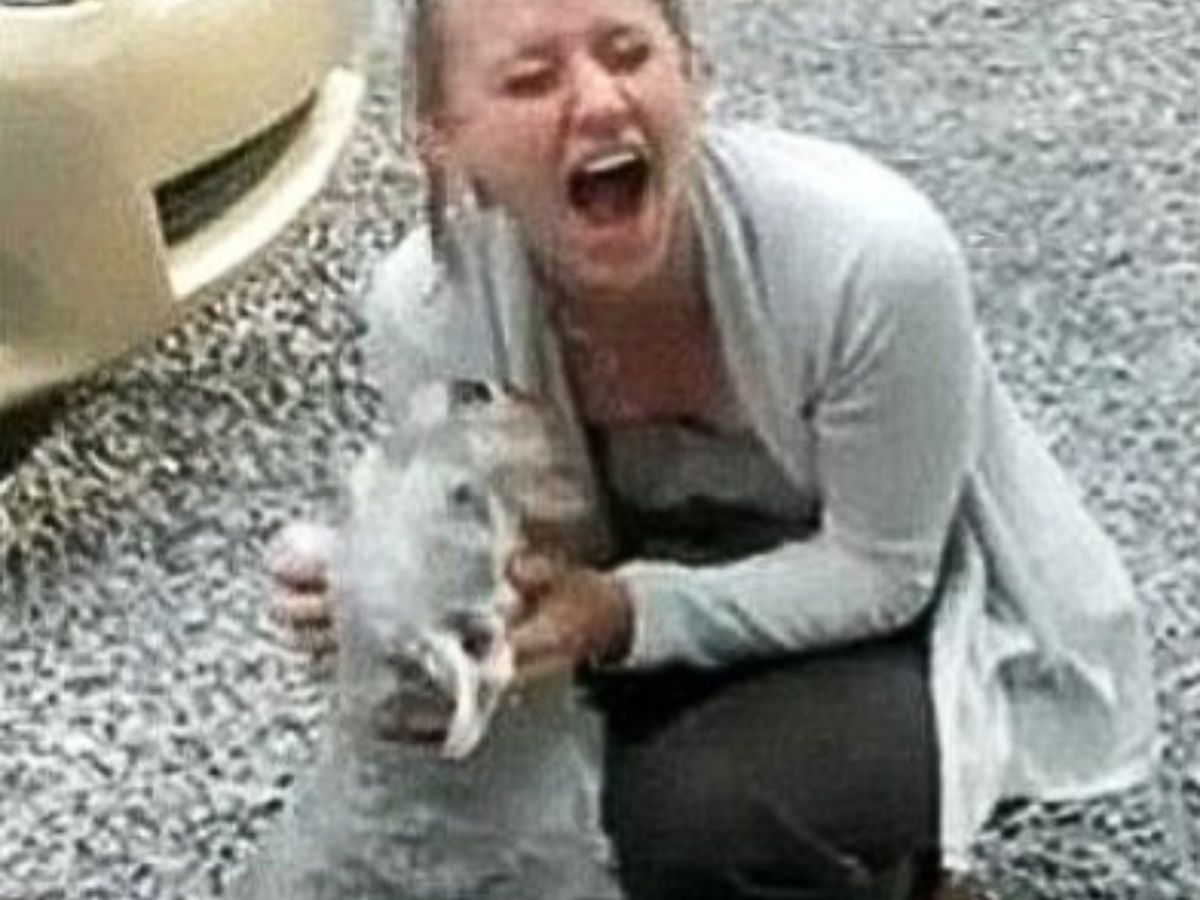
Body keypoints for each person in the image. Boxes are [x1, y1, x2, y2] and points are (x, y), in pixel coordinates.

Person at [306, 0, 1160, 897]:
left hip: (900, 620)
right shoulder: (426, 308)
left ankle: (908, 874)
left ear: (693, 74)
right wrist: (372, 590)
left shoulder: (867, 257)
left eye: (629, 53)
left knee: (688, 823)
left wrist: (617, 614)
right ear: (443, 139)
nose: (598, 100)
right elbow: (511, 569)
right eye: (531, 80)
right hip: (639, 627)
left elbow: (884, 574)